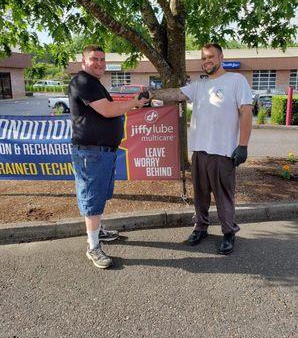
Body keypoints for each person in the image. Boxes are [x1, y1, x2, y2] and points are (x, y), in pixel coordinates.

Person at [149, 43, 252, 255]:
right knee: (201, 195)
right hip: (199, 151)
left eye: (210, 57)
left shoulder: (236, 81)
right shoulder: (198, 86)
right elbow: (176, 94)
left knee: (224, 196)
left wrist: (243, 145)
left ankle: (228, 232)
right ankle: (201, 227)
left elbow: (246, 112)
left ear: (221, 57)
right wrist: (150, 93)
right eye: (203, 58)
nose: (207, 61)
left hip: (223, 152)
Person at [68, 45, 148, 269]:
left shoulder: (94, 83)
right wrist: (134, 102)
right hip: (90, 152)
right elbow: (107, 110)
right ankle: (93, 246)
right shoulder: (82, 81)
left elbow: (109, 108)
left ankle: (98, 231)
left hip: (101, 152)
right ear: (84, 61)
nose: (100, 63)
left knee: (100, 194)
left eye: (102, 59)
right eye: (94, 59)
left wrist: (135, 102)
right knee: (92, 198)